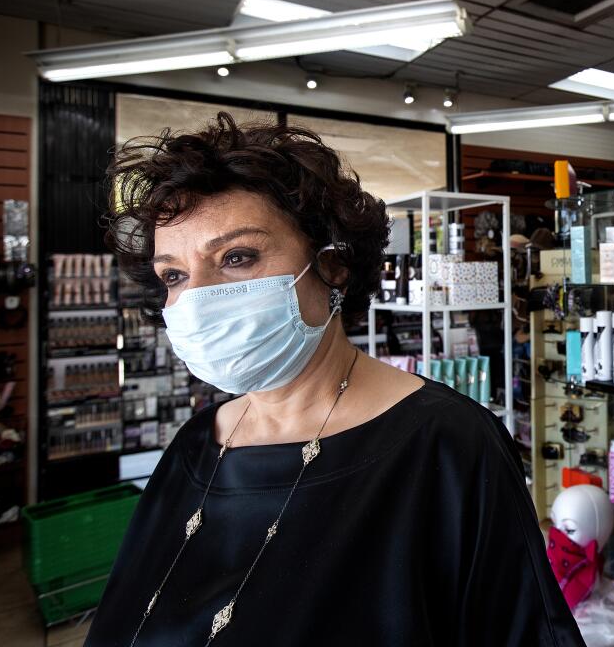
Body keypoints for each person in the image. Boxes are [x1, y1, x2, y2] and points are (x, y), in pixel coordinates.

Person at [86, 113, 582, 646]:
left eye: (237, 257)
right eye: (175, 275)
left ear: (333, 266)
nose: (198, 297)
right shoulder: (196, 446)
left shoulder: (448, 446)